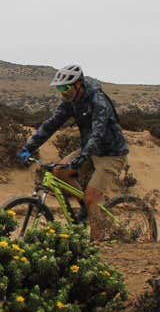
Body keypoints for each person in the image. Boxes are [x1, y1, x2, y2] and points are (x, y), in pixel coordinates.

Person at [17, 64, 129, 239]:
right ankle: (87, 209)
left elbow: (97, 131)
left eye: (66, 88)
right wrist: (28, 147)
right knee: (59, 171)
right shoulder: (71, 103)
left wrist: (84, 155)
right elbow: (51, 125)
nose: (63, 93)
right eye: (60, 88)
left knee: (92, 197)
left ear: (78, 84)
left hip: (111, 153)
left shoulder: (97, 100)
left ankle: (97, 242)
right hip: (89, 150)